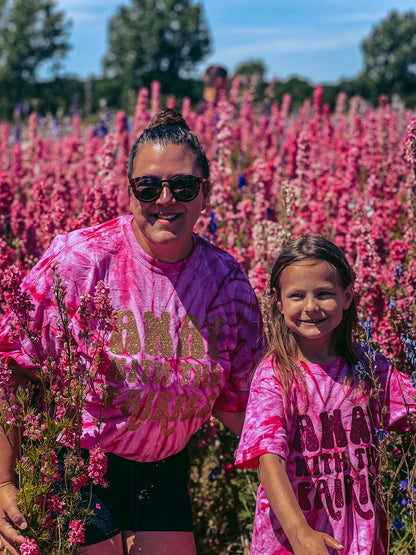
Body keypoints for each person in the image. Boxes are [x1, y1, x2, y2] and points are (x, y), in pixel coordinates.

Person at [0, 108, 264, 555]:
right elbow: (14, 370)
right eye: (148, 186)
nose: (166, 199)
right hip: (78, 463)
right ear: (130, 191)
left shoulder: (226, 281)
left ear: (205, 193)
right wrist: (3, 482)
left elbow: (245, 406)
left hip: (164, 466)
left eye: (183, 186)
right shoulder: (80, 260)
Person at [235, 236, 416, 554]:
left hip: (360, 539)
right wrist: (301, 533)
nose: (310, 307)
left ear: (347, 296)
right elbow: (269, 461)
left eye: (323, 294)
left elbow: (409, 407)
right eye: (297, 296)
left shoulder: (367, 366)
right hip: (294, 543)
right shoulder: (275, 375)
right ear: (279, 303)